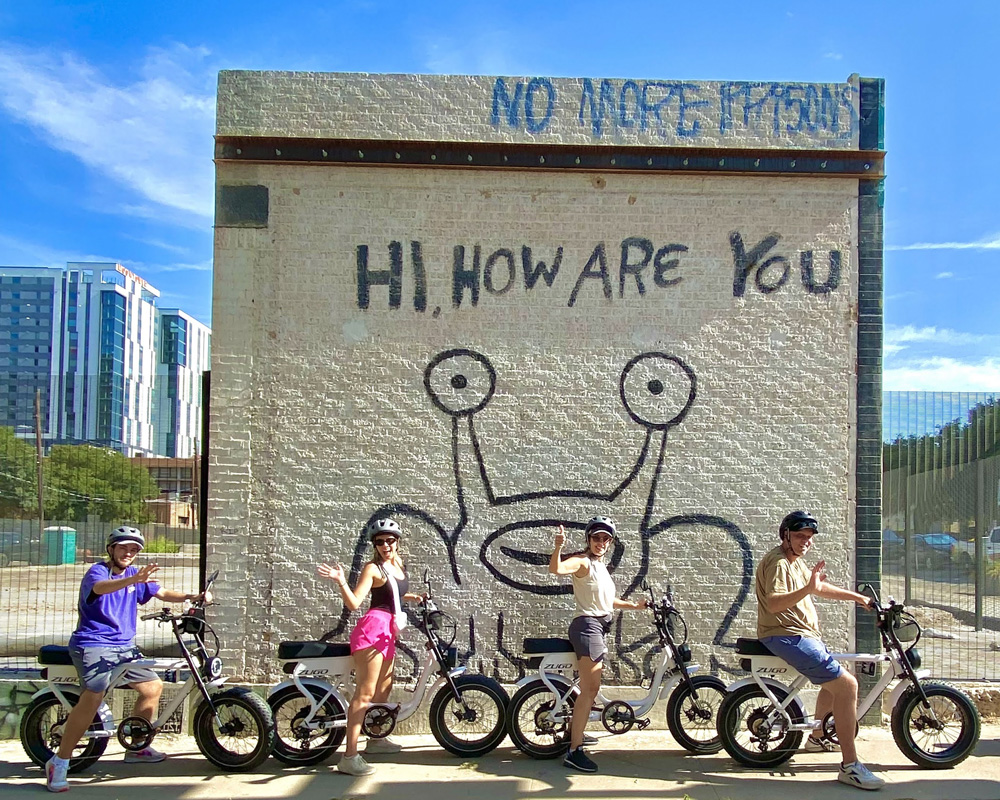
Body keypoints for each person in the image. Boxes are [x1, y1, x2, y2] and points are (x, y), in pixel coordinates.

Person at [46, 526, 208, 793]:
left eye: (134, 550)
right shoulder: (98, 572)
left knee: (152, 686)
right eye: (124, 548)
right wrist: (133, 580)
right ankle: (60, 762)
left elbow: (161, 592)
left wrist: (192, 596)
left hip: (124, 647)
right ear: (111, 549)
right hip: (94, 644)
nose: (129, 553)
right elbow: (100, 588)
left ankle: (136, 746)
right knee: (94, 695)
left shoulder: (135, 574)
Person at [755, 510, 884, 791]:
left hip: (801, 637)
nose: (806, 542)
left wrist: (859, 598)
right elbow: (775, 603)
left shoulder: (796, 562)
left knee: (835, 682)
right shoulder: (778, 562)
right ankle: (850, 765)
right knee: (848, 685)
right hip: (786, 636)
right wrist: (808, 589)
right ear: (786, 535)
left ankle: (816, 737)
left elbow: (820, 588)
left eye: (810, 537)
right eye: (800, 536)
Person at [318, 518, 425, 777]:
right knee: (364, 695)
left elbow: (391, 595)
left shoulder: (396, 565)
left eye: (390, 540)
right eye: (380, 541)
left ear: (398, 542)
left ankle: (375, 739)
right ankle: (349, 756)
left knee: (383, 691)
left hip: (389, 632)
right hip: (373, 630)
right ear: (375, 545)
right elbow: (355, 603)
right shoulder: (372, 568)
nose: (385, 545)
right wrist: (341, 581)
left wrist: (412, 597)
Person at [548, 516, 648, 773]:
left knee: (587, 689)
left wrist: (634, 606)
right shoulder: (582, 562)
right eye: (596, 537)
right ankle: (574, 751)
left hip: (597, 627)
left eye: (606, 538)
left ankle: (575, 734)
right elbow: (557, 569)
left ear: (611, 541)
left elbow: (607, 599)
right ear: (588, 539)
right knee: (590, 690)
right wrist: (558, 546)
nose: (601, 542)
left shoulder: (600, 567)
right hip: (587, 627)